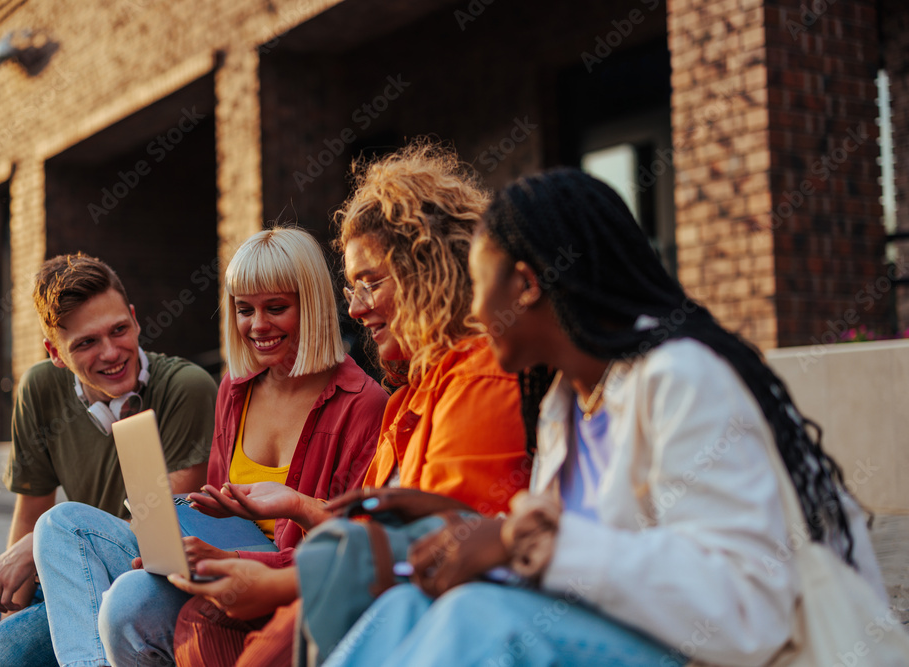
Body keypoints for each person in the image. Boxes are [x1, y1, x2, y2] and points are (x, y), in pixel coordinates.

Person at [321, 168, 889, 667]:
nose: (471, 307)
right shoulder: (562, 406)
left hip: (710, 654)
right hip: (618, 636)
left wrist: (527, 541)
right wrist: (461, 522)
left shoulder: (678, 378)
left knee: (479, 618)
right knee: (406, 605)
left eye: (480, 281)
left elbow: (748, 609)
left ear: (524, 284)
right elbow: (582, 569)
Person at [167, 142, 532, 666]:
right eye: (351, 288)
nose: (356, 309)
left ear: (425, 271)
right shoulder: (412, 396)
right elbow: (367, 538)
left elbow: (436, 550)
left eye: (369, 284)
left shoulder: (475, 381)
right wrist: (255, 544)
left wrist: (274, 579)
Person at [31, 227, 388, 667]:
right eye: (244, 310)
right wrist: (172, 528)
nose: (257, 326)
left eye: (276, 307)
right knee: (59, 524)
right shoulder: (236, 390)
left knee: (126, 601)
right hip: (217, 556)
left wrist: (230, 556)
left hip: (280, 578)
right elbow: (215, 508)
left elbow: (348, 548)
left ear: (312, 305)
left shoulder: (364, 404)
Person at [0, 254, 217, 667]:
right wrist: (8, 615)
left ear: (135, 319)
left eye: (119, 330)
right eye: (86, 343)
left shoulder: (186, 388)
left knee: (10, 650)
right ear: (55, 352)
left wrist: (35, 548)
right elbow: (30, 510)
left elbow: (165, 530)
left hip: (138, 579)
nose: (111, 352)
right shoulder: (40, 388)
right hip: (61, 572)